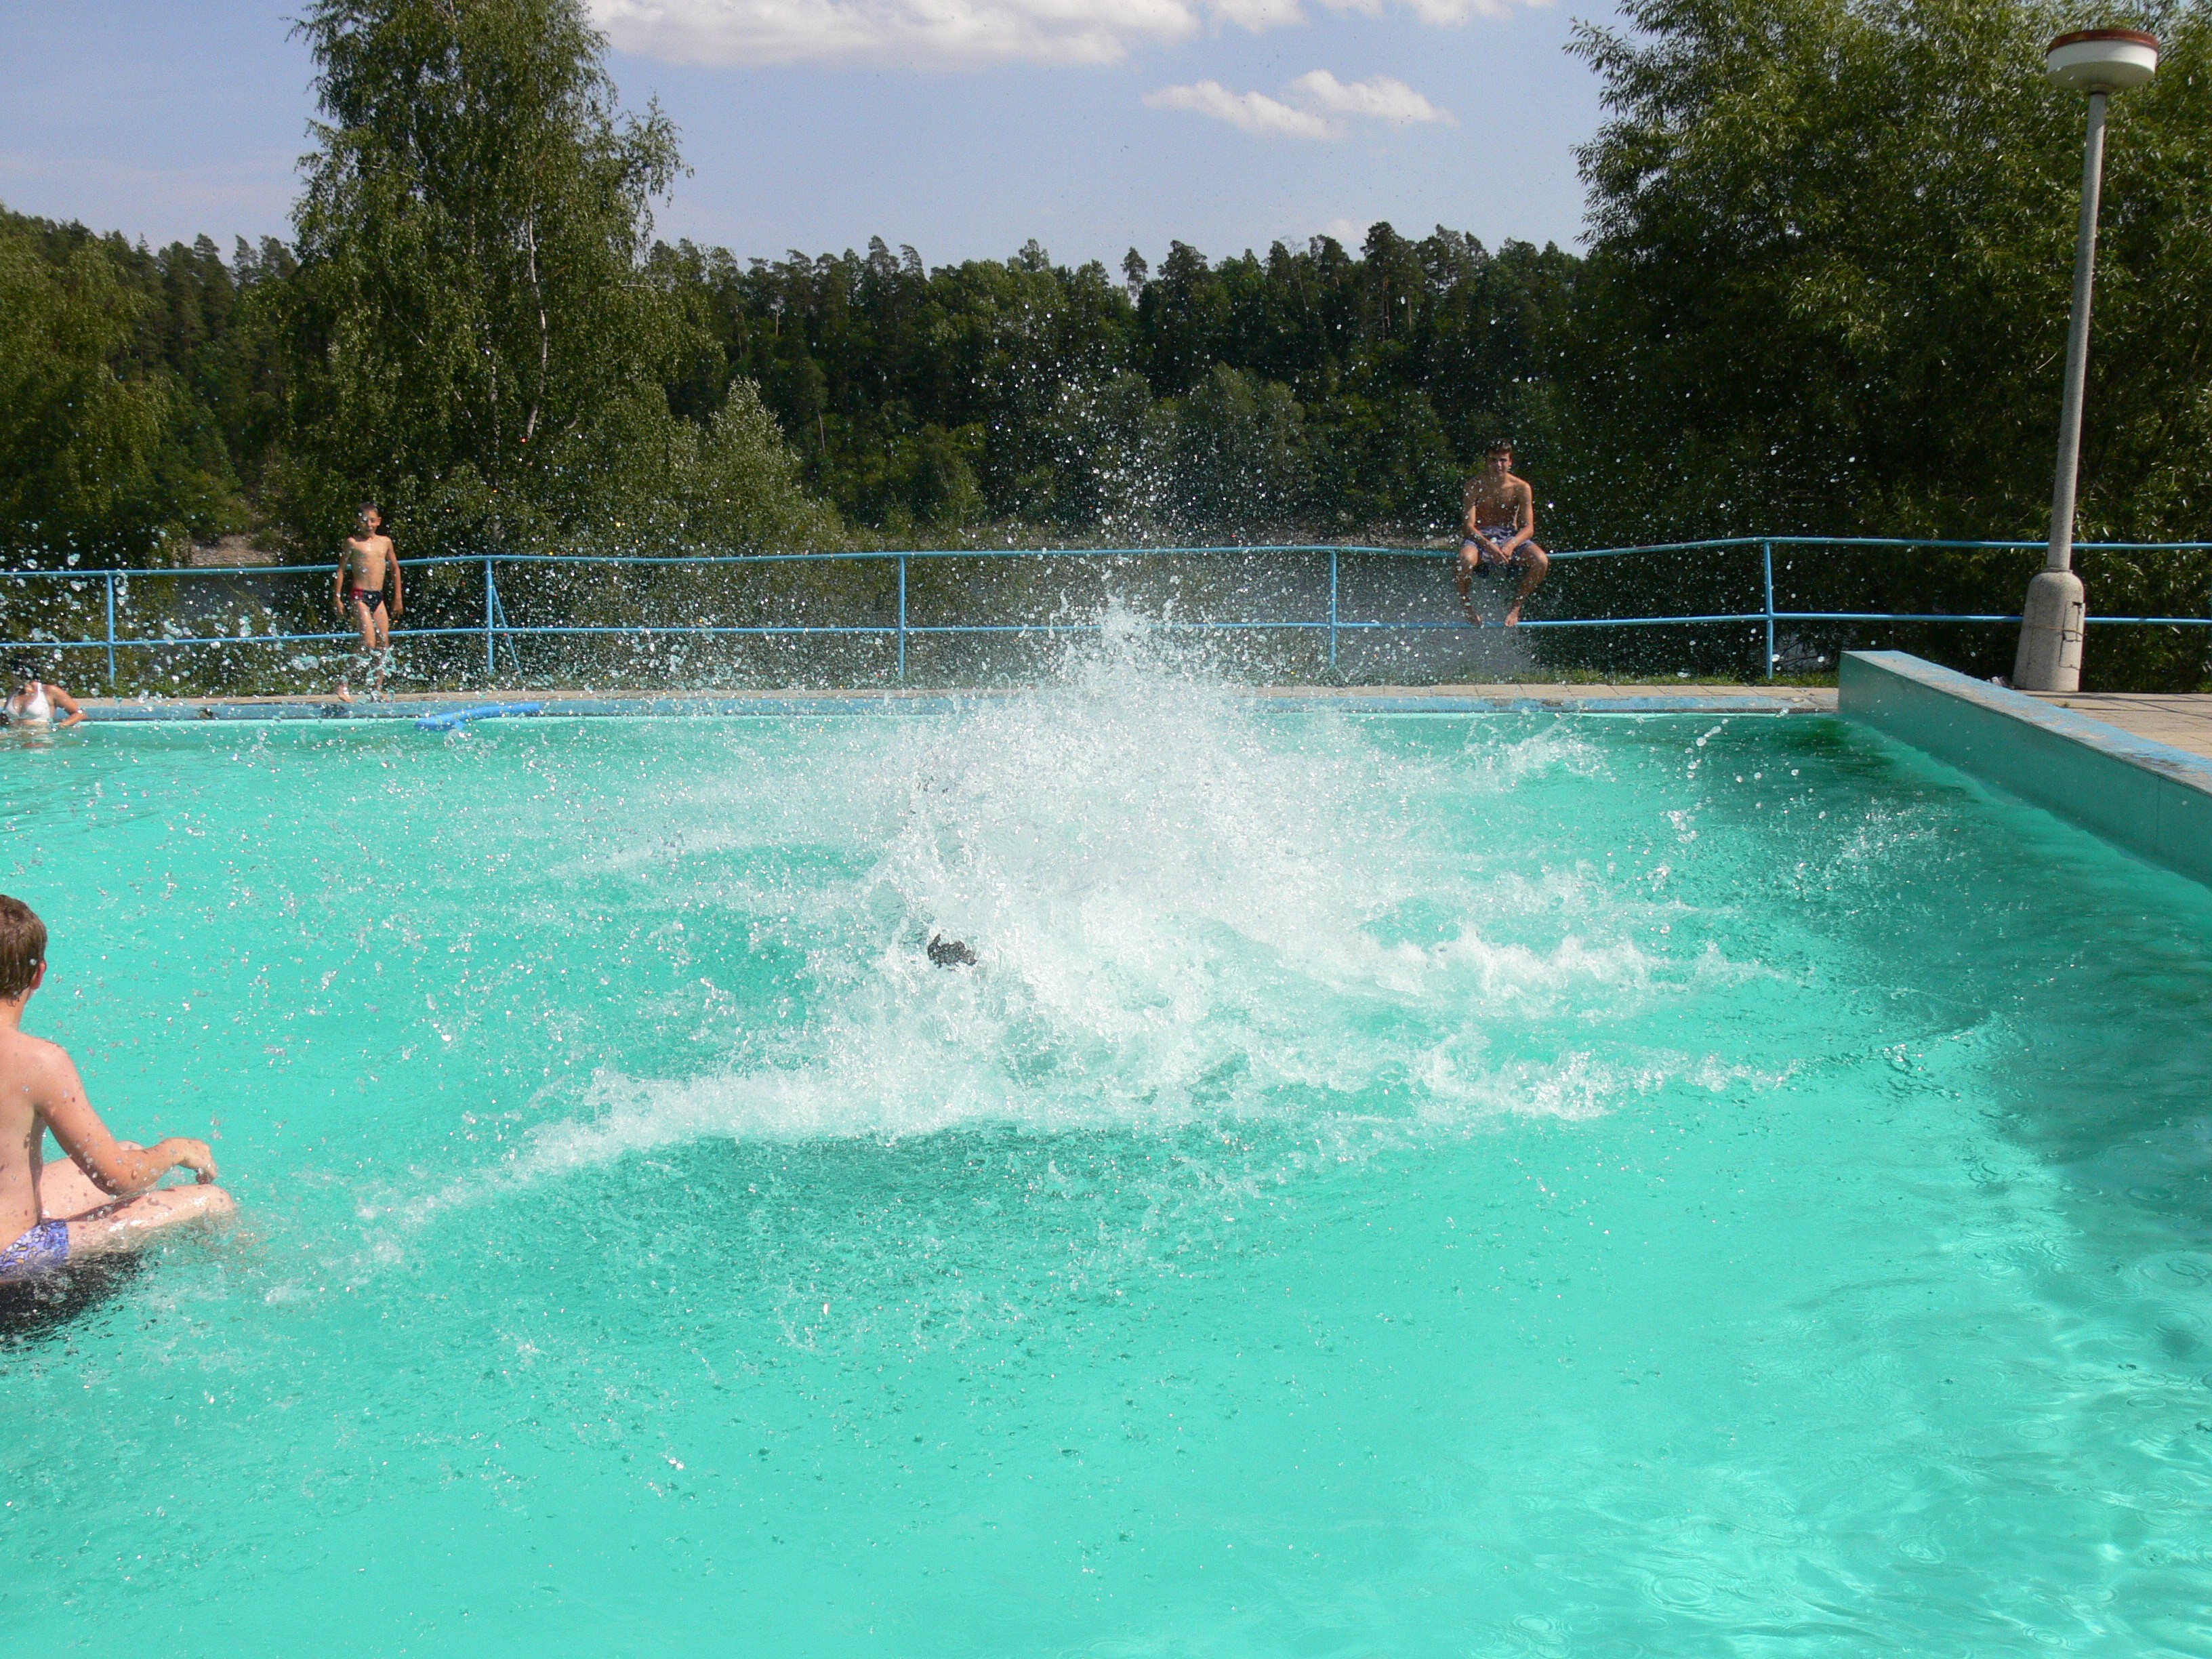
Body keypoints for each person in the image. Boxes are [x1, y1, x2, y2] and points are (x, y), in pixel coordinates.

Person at [0, 895, 233, 1282]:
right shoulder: (38, 1062)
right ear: (38, 974)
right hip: (12, 1257)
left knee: (127, 1149)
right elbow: (117, 1178)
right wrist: (176, 1149)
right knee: (213, 1201)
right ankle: (251, 1282)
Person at [1455, 441, 1551, 627]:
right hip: (1480, 537)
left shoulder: (1521, 487)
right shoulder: (1474, 485)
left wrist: (1511, 545)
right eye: (1493, 460)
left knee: (1541, 561)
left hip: (1509, 536)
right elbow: (1468, 526)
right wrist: (1489, 546)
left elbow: (1529, 528)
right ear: (1487, 461)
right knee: (1464, 560)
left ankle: (1516, 606)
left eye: (1502, 460)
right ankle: (1467, 606)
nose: (1498, 465)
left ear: (1510, 462)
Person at [332, 501, 403, 702]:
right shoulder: (353, 543)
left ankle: (376, 688)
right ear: (357, 522)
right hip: (360, 596)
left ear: (379, 521)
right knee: (368, 643)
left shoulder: (385, 542)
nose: (368, 525)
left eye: (372, 520)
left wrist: (398, 597)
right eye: (364, 521)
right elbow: (341, 570)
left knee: (383, 645)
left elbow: (395, 568)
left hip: (378, 597)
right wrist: (337, 597)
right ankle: (343, 683)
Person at [5, 666, 84, 731]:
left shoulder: (49, 691)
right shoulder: (13, 693)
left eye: (10, 673)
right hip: (14, 738)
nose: (9, 677)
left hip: (40, 739)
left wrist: (62, 725)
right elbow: (5, 719)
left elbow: (80, 714)